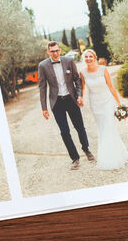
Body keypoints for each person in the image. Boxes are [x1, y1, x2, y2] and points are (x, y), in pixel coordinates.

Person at [37, 41, 92, 170]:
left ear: (60, 50)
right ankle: (75, 158)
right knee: (64, 132)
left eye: (57, 50)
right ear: (48, 52)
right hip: (57, 103)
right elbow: (42, 87)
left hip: (71, 99)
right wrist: (44, 108)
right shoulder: (43, 66)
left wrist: (79, 95)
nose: (55, 53)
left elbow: (77, 80)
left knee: (80, 127)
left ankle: (86, 149)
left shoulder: (69, 61)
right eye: (52, 51)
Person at [80, 49, 128, 170]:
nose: (88, 58)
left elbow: (111, 86)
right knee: (102, 128)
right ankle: (112, 153)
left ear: (94, 57)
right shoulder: (82, 72)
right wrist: (80, 99)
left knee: (108, 126)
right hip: (95, 104)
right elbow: (83, 88)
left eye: (90, 56)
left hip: (107, 102)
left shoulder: (103, 69)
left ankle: (112, 157)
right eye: (86, 57)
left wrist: (119, 102)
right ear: (84, 59)